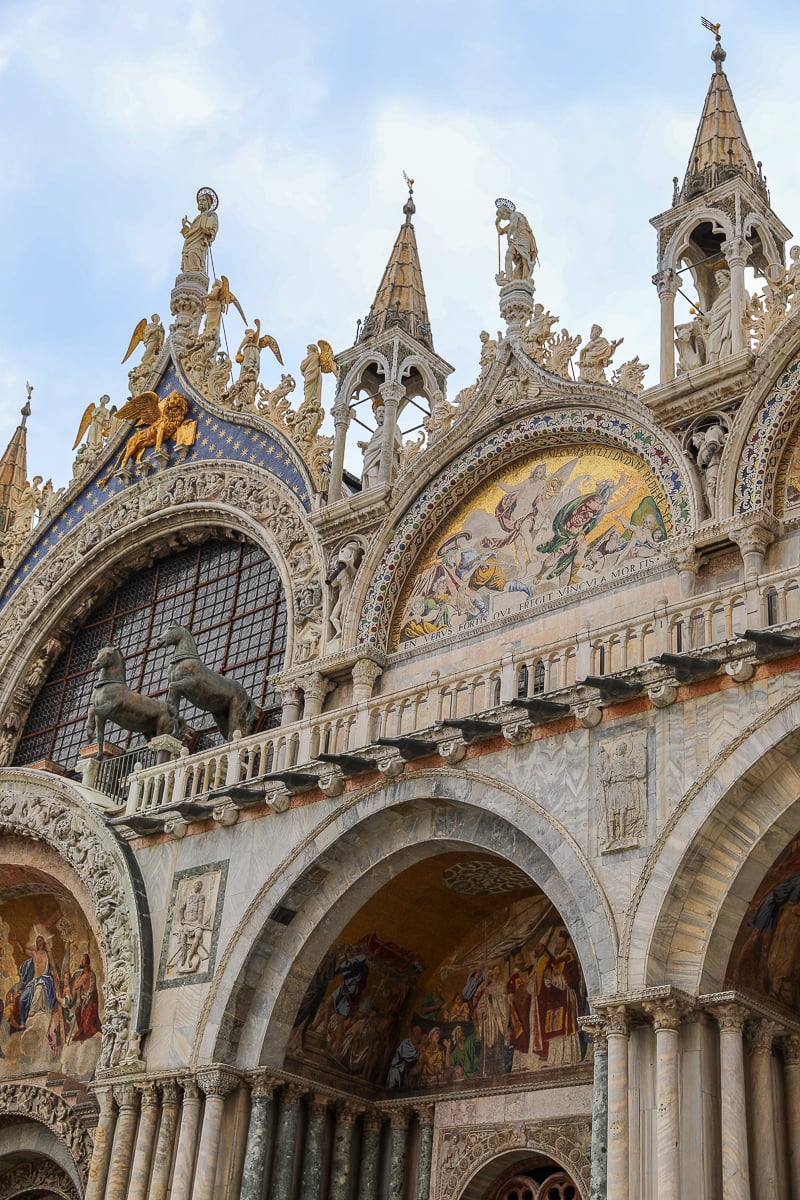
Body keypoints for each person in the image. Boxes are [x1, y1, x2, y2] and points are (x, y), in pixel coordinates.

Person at [181, 189, 219, 273]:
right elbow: (188, 234)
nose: (200, 202)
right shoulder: (197, 218)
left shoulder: (211, 214)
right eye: (199, 200)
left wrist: (207, 229)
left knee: (193, 254)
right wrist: (184, 226)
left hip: (200, 242)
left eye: (203, 200)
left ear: (208, 203)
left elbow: (211, 228)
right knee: (187, 259)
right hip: (189, 242)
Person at [703, 268, 734, 362]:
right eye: (716, 280)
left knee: (723, 341)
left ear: (728, 277)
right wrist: (704, 318)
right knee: (712, 341)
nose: (718, 281)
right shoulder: (720, 297)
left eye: (720, 277)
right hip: (715, 324)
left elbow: (743, 301)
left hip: (727, 322)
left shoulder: (735, 290)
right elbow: (712, 312)